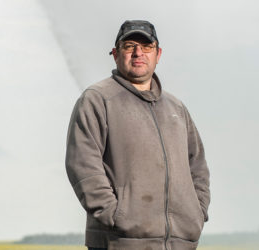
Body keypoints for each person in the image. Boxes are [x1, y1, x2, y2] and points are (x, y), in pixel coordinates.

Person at [65, 20, 210, 250]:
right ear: (115, 54)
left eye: (146, 46)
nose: (138, 53)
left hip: (181, 243)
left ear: (158, 54)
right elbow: (82, 164)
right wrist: (115, 216)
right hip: (119, 243)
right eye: (129, 45)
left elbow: (198, 167)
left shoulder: (177, 108)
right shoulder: (97, 99)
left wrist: (197, 213)